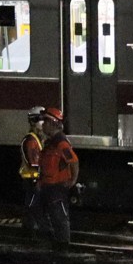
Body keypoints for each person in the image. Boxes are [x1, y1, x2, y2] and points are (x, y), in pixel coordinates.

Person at [37, 107, 79, 252]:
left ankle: (63, 246)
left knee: (59, 217)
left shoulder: (61, 143)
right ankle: (56, 244)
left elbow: (73, 161)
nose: (42, 125)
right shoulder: (50, 143)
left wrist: (73, 180)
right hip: (48, 186)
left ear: (53, 123)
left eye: (45, 121)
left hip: (57, 188)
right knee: (49, 216)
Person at [19, 106, 46, 236]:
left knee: (34, 205)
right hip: (32, 179)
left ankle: (33, 228)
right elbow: (33, 162)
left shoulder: (37, 139)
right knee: (32, 205)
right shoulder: (30, 140)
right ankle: (30, 230)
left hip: (36, 178)